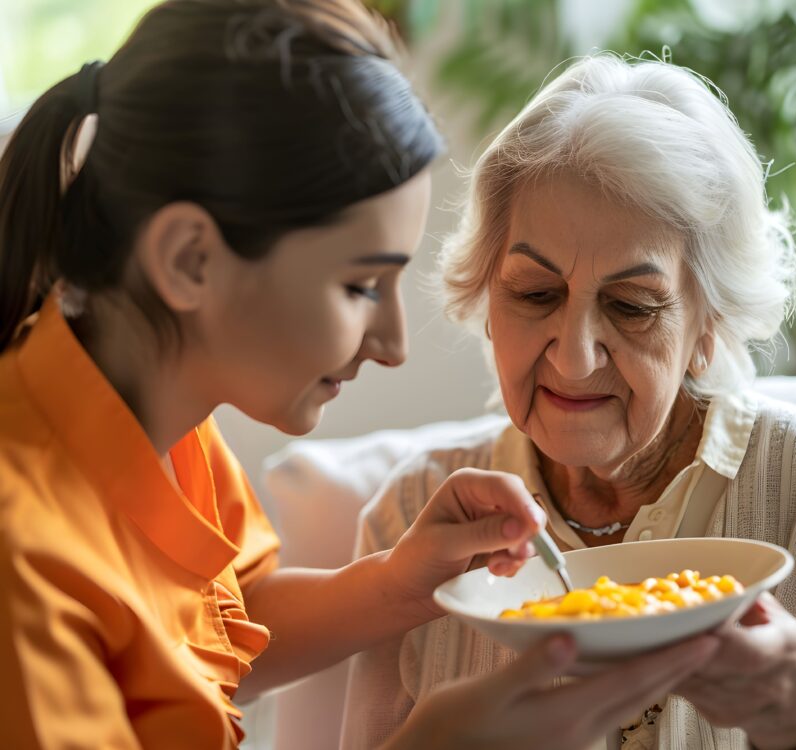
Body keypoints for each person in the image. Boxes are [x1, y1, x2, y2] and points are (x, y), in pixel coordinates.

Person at [0, 5, 723, 749]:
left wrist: (395, 583)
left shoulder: (158, 416)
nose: (393, 344)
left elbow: (220, 624)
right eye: (358, 287)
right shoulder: (23, 568)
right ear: (189, 259)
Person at [342, 54, 796, 749]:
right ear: (486, 300)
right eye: (535, 293)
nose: (575, 357)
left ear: (708, 325)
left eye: (633, 306)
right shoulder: (413, 522)